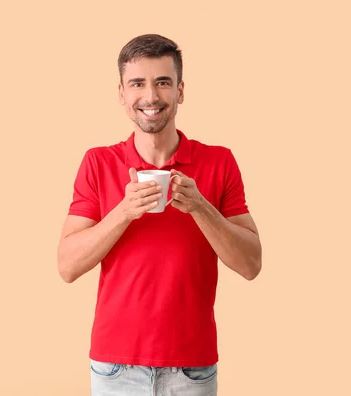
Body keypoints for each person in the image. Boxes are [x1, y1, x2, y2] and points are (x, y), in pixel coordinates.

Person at [57, 34, 262, 396]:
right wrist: (123, 212)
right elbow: (67, 266)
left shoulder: (219, 161)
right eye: (137, 83)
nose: (150, 97)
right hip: (115, 368)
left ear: (180, 91)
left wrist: (201, 207)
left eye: (162, 82)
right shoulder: (97, 163)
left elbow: (251, 264)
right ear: (121, 93)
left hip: (192, 367)